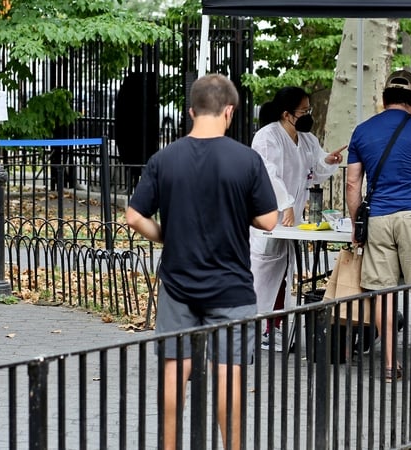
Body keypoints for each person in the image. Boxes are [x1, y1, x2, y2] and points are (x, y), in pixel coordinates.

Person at [125, 73, 278, 450]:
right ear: (229, 111)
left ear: (192, 111)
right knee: (228, 374)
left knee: (174, 371)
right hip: (231, 287)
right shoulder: (247, 160)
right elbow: (269, 220)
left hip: (178, 285)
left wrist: (167, 234)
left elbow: (134, 216)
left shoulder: (164, 159)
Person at [345, 69, 411, 384]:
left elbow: (352, 183)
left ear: (383, 99)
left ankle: (390, 366)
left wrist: (356, 223)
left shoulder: (362, 131)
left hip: (378, 219)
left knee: (384, 293)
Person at [249, 86, 345, 351]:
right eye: (303, 111)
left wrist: (330, 160)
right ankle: (254, 329)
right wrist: (286, 203)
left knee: (283, 276)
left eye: (308, 110)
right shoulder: (267, 137)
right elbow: (268, 174)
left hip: (292, 223)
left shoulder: (307, 139)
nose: (308, 115)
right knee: (261, 275)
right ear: (286, 114)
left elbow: (315, 168)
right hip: (267, 219)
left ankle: (275, 327)